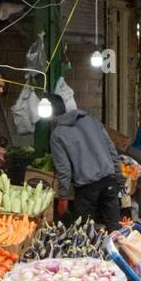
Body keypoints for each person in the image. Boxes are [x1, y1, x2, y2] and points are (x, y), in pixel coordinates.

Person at [47, 94, 122, 230]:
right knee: (116, 231)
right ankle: (118, 251)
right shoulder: (92, 121)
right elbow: (112, 151)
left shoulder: (57, 134)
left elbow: (64, 170)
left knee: (85, 234)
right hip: (109, 182)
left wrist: (63, 198)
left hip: (87, 189)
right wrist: (119, 181)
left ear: (50, 115)